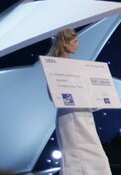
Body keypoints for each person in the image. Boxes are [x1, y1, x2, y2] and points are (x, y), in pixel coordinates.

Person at [48, 28, 112, 174]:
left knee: (95, 153)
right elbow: (53, 95)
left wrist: (93, 99)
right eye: (75, 42)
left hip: (84, 114)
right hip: (70, 115)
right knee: (75, 155)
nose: (78, 45)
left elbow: (84, 90)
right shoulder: (54, 65)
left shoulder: (76, 65)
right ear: (65, 43)